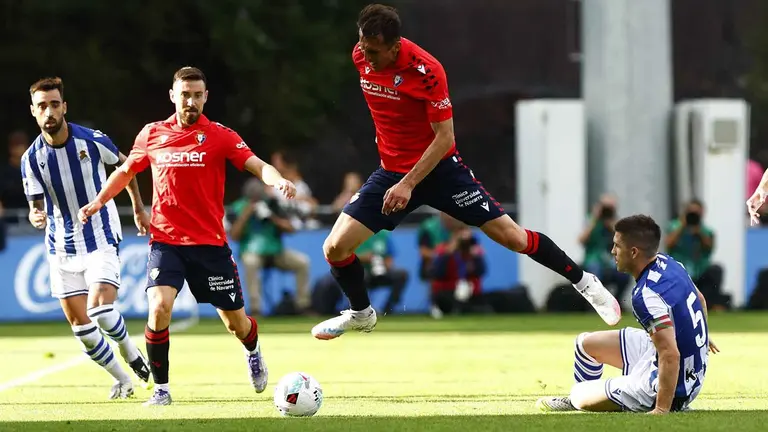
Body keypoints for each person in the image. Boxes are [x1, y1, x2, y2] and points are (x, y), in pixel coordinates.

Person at [311, 4, 620, 340]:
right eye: (363, 46)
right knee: (335, 248)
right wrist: (394, 164)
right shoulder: (361, 55)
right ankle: (361, 314)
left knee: (513, 237)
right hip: (392, 172)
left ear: (395, 45)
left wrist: (408, 184)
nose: (365, 55)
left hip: (440, 170)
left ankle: (585, 282)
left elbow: (445, 140)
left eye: (374, 50)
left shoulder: (427, 71)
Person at [78, 67, 297, 406]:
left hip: (210, 245)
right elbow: (125, 172)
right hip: (166, 242)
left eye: (197, 95)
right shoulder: (152, 134)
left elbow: (256, 164)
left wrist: (277, 179)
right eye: (185, 94)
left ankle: (252, 349)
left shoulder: (221, 135)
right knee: (159, 306)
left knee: (236, 323)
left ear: (206, 97)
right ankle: (162, 390)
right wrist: (98, 202)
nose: (191, 101)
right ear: (173, 96)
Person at [21, 77, 152, 399]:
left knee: (100, 311)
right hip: (60, 246)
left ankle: (132, 353)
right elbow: (35, 207)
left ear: (64, 107)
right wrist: (35, 215)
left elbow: (127, 168)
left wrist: (138, 209)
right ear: (34, 112)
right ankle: (123, 379)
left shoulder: (92, 141)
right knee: (81, 329)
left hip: (100, 235)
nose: (49, 111)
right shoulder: (30, 159)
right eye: (42, 106)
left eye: (54, 104)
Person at [536, 215, 718, 414]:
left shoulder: (646, 294)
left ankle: (584, 398)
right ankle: (586, 400)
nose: (612, 251)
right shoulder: (670, 262)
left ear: (633, 252)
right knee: (584, 344)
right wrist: (700, 336)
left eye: (616, 246)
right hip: (687, 369)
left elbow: (670, 354)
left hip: (674, 386)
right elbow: (700, 300)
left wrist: (661, 409)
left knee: (579, 394)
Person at [229, 178, 311, 316]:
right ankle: (256, 309)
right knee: (250, 263)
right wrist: (246, 214)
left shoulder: (273, 203)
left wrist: (272, 217)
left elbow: (291, 228)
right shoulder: (237, 207)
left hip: (275, 252)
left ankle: (303, 305)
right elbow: (234, 235)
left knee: (303, 262)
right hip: (251, 251)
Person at [664, 200, 727, 309]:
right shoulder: (674, 226)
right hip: (679, 270)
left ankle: (709, 304)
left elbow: (709, 247)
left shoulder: (706, 231)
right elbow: (669, 244)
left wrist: (698, 232)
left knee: (716, 270)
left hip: (700, 270)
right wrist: (682, 225)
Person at [579, 194, 631, 303]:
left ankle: (616, 302)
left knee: (624, 274)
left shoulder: (615, 223)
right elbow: (581, 240)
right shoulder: (591, 221)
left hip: (610, 260)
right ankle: (597, 303)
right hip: (593, 259)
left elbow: (625, 242)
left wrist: (612, 225)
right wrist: (595, 219)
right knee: (595, 271)